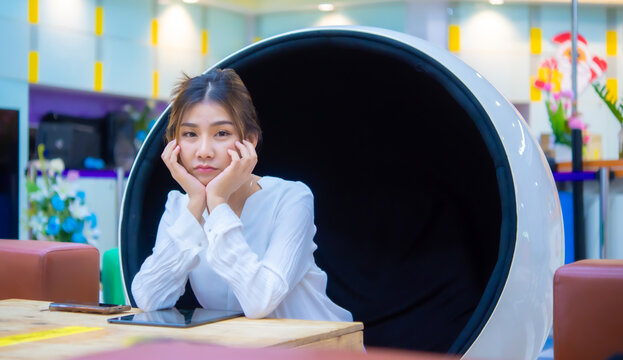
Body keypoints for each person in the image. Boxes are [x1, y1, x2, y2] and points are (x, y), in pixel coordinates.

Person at [131, 68, 352, 322]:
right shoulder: (181, 206)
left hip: (320, 349)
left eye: (221, 133)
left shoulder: (292, 198)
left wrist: (217, 202)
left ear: (249, 141)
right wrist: (196, 205)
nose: (203, 151)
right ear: (174, 144)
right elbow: (148, 299)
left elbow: (260, 302)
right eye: (190, 134)